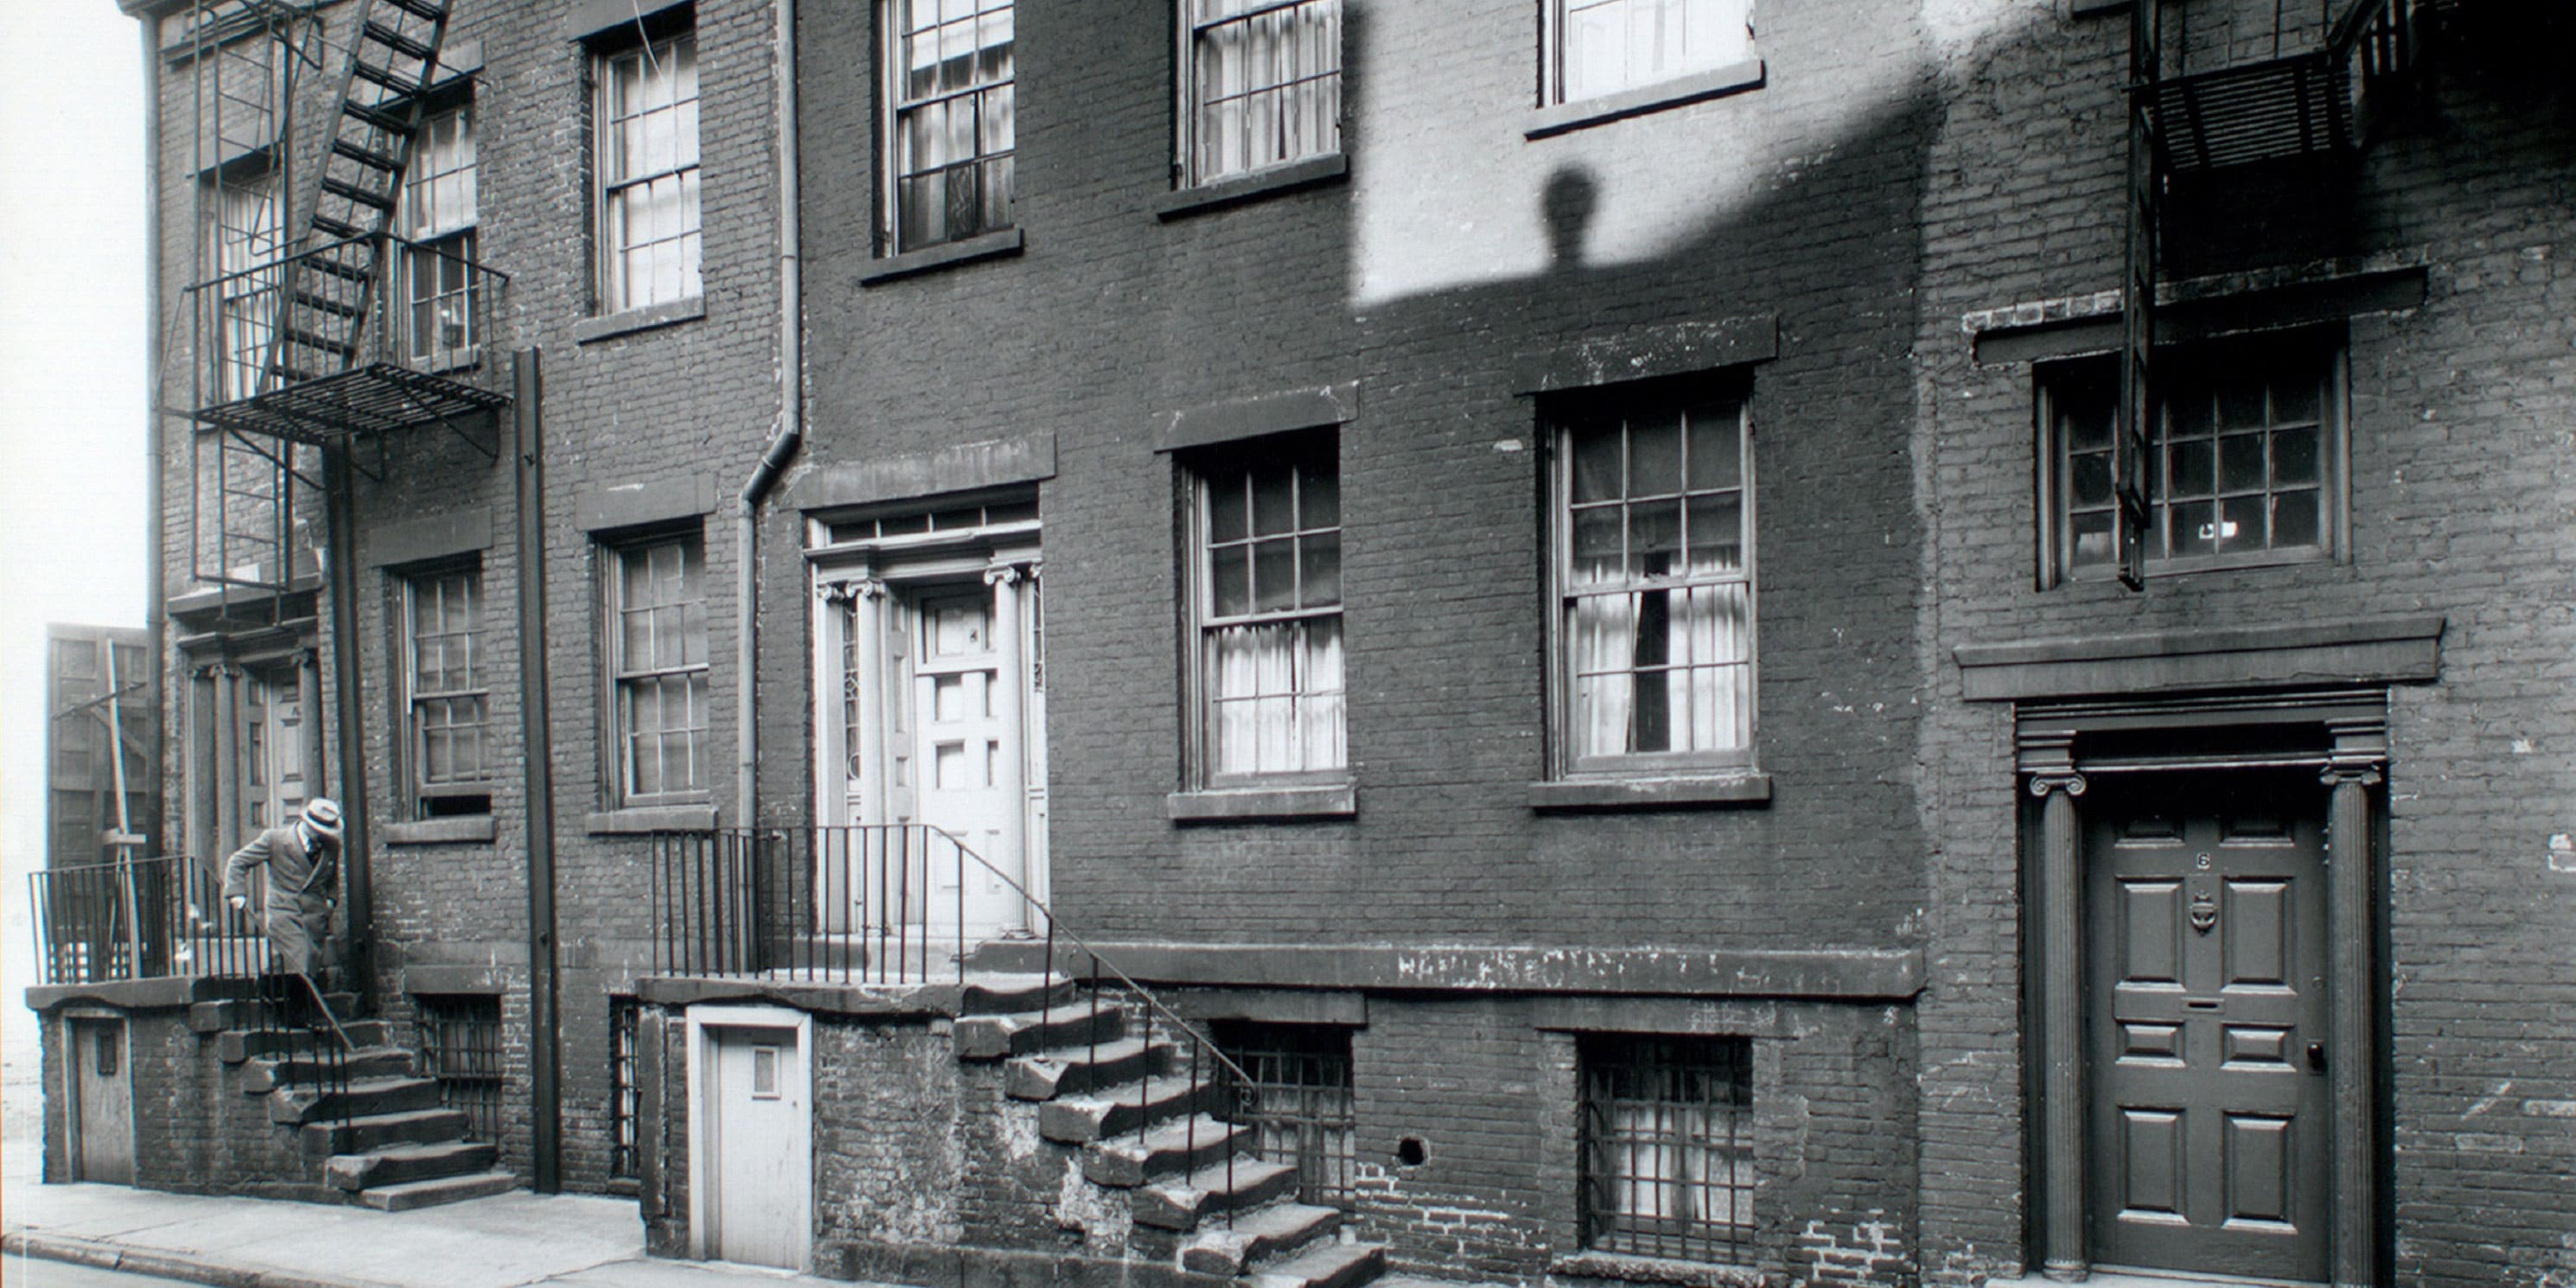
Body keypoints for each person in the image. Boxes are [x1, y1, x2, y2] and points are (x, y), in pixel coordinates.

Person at [224, 798, 343, 979]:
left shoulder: (332, 845)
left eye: (325, 832)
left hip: (315, 917)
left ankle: (286, 1002)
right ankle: (290, 1000)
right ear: (306, 823)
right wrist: (237, 892)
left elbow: (331, 876)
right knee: (299, 963)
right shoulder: (275, 840)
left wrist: (330, 900)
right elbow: (238, 861)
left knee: (307, 966)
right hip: (285, 913)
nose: (321, 836)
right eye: (318, 831)